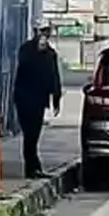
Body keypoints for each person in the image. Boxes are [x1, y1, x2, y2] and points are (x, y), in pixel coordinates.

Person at [11, 24, 63, 178]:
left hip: (39, 100)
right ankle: (32, 168)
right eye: (41, 32)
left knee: (34, 134)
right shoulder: (26, 49)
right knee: (29, 134)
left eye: (46, 32)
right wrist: (37, 51)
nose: (44, 36)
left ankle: (33, 168)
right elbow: (24, 66)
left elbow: (54, 76)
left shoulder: (50, 54)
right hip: (24, 98)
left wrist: (56, 98)